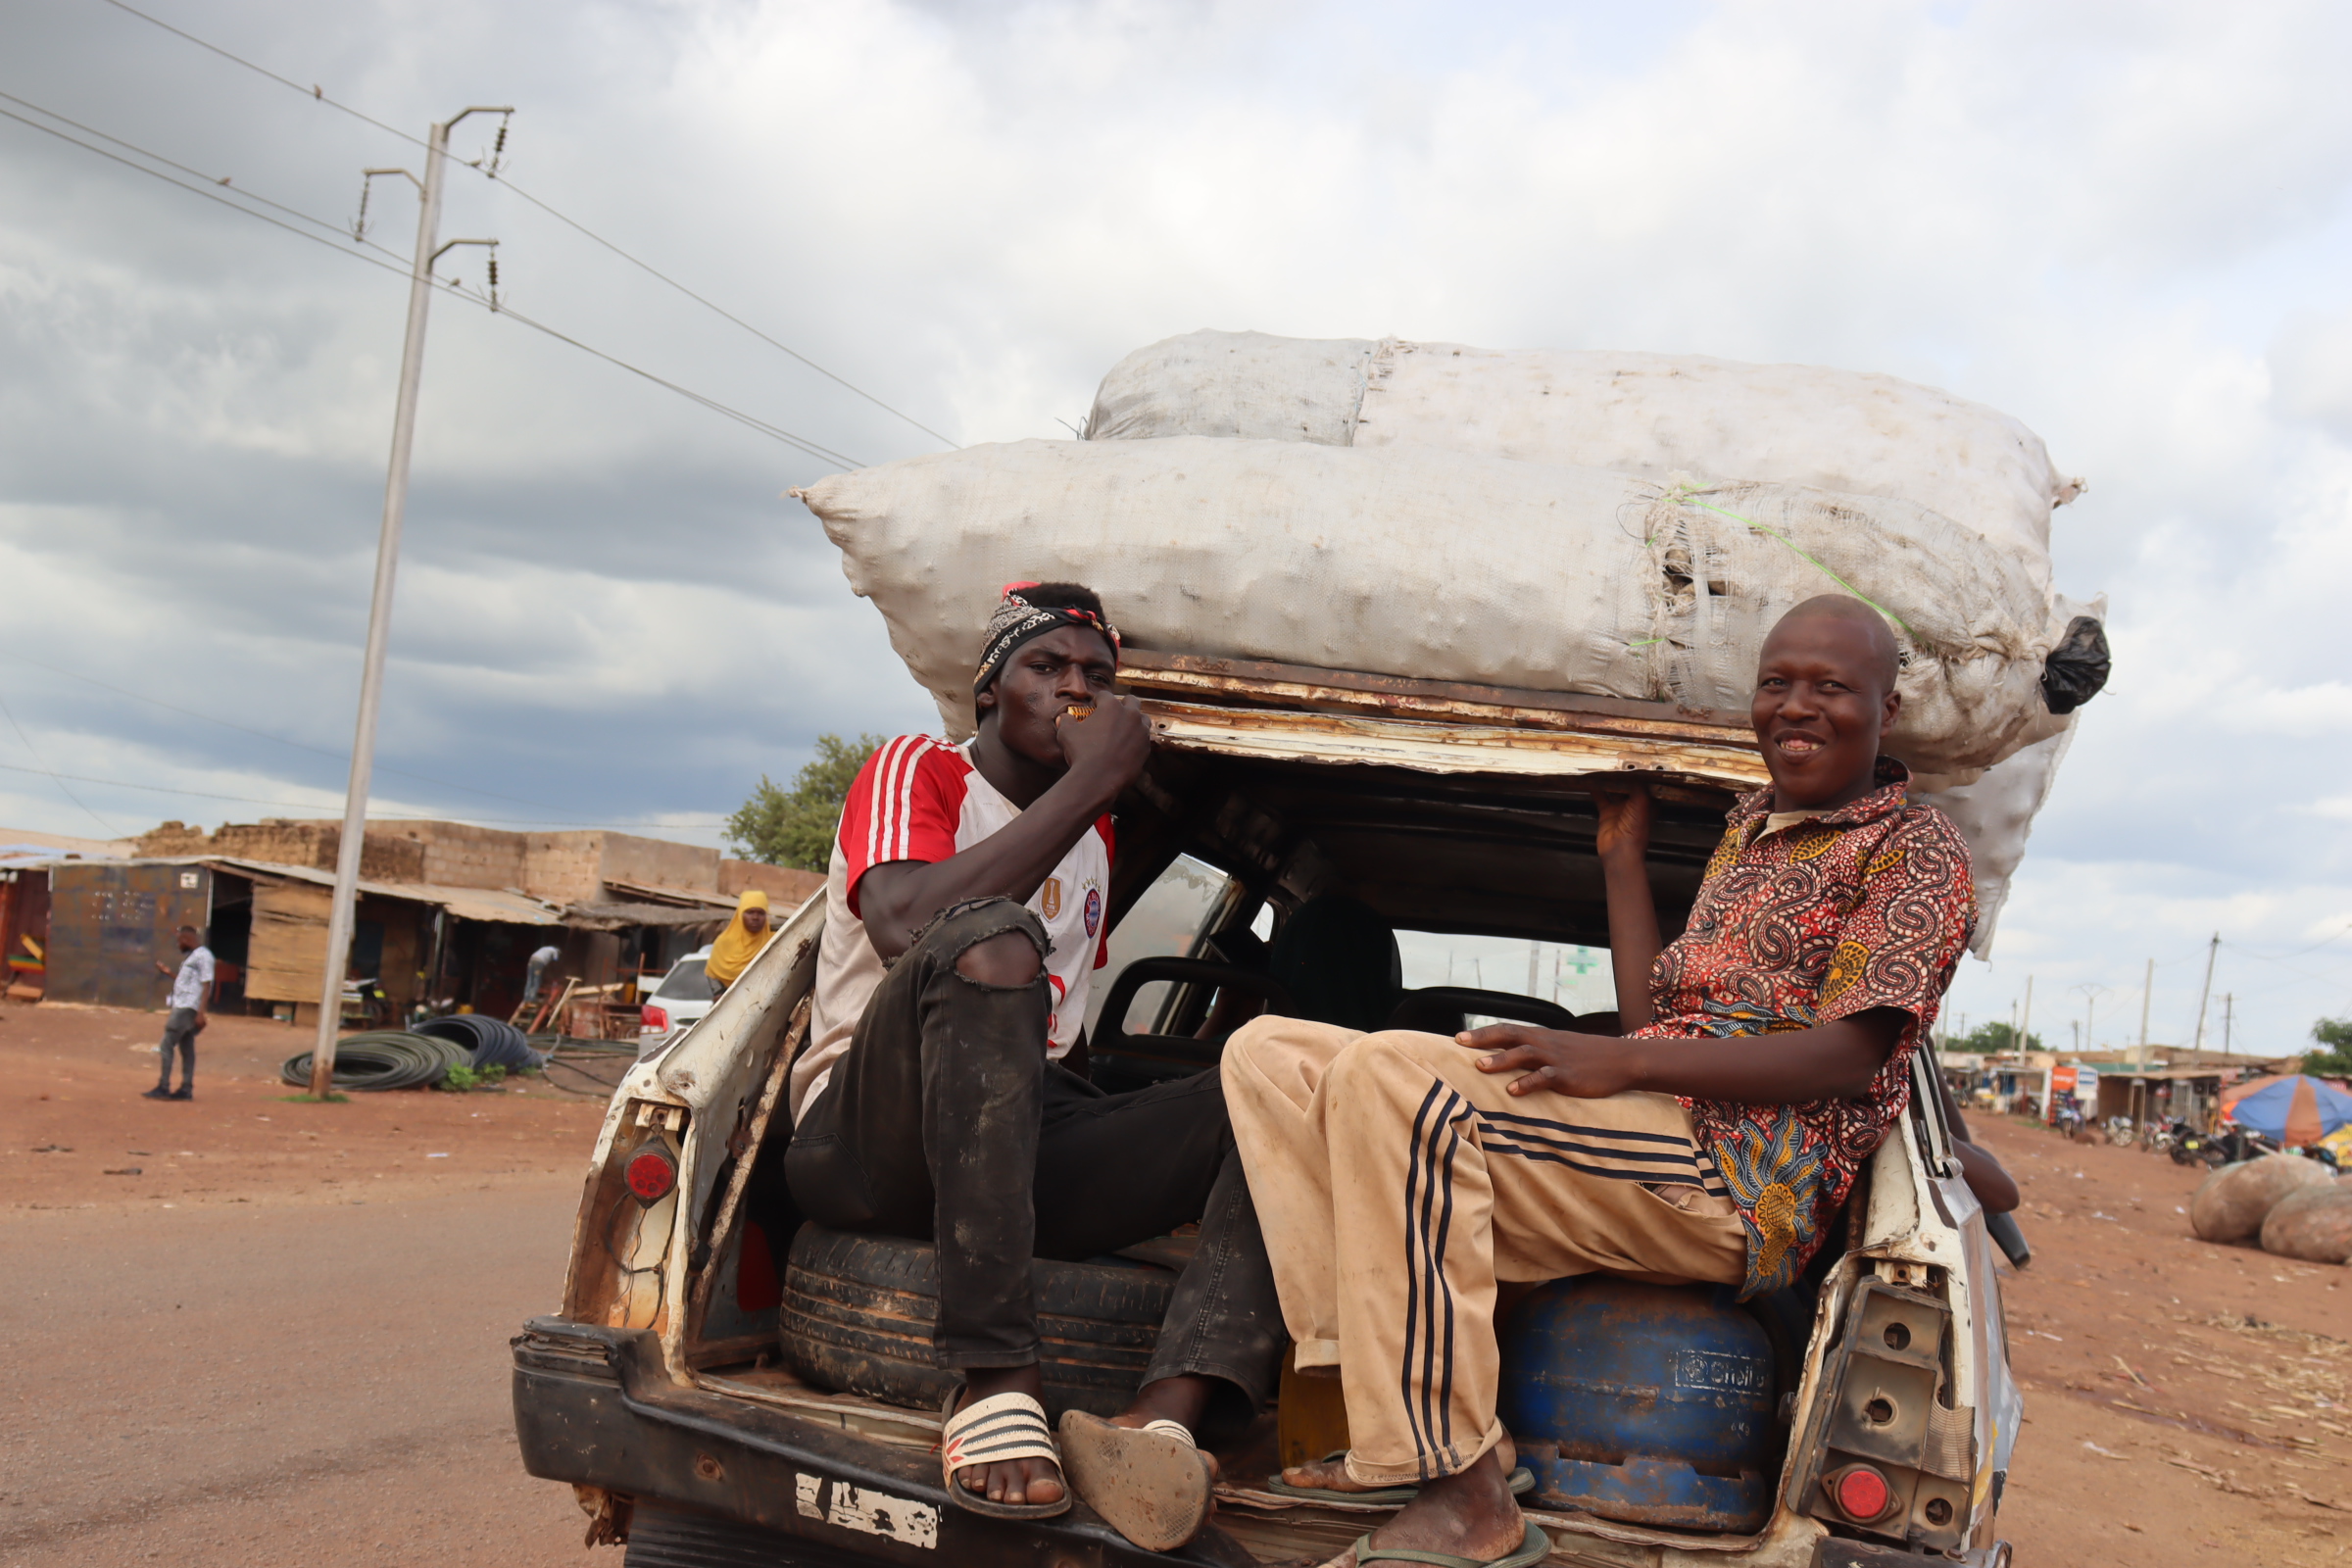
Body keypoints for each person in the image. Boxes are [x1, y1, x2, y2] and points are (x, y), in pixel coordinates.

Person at [1222, 594, 1979, 1568]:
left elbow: (1851, 1052)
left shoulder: (1914, 847)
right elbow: (1658, 1018)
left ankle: (1461, 1490)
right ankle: (1347, 1403)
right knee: (1270, 1054)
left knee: (1396, 1069)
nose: (1797, 706)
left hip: (1743, 1175)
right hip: (1648, 1131)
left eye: (1831, 687)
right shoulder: (1749, 829)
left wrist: (1620, 1060)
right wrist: (1622, 857)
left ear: (1890, 707)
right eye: (1776, 682)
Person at [785, 582, 1283, 1549]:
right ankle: (995, 1377)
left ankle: (1163, 1416)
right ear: (989, 693)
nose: (1076, 692)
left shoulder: (1093, 841)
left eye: (1097, 676)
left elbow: (1064, 1036)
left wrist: (1125, 1154)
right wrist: (1094, 782)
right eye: (1045, 667)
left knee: (1270, 1094)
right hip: (864, 1136)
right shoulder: (917, 770)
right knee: (991, 936)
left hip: (1009, 1142)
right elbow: (903, 923)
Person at [143, 924, 214, 1102]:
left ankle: (163, 1086)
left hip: (186, 1008)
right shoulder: (194, 957)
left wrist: (200, 1013)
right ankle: (186, 1089)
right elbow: (190, 983)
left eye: (178, 941)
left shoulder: (203, 956)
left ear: (186, 939)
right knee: (186, 1047)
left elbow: (207, 984)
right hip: (186, 1006)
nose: (178, 945)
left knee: (167, 1044)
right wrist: (169, 973)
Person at [704, 890, 773, 993]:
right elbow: (711, 972)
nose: (755, 917)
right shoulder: (724, 942)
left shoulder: (774, 942)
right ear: (740, 914)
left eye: (761, 913)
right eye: (750, 912)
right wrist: (718, 993)